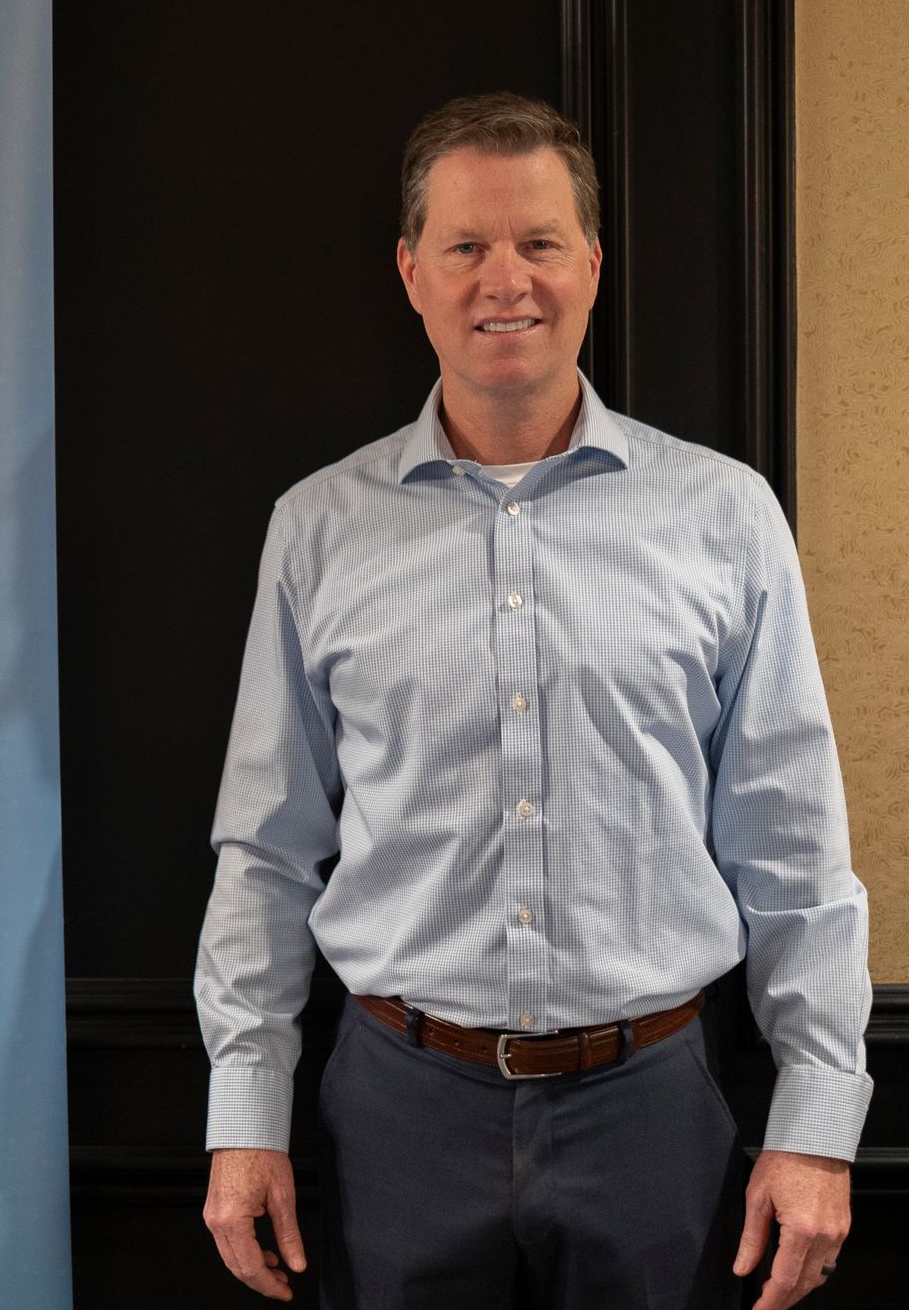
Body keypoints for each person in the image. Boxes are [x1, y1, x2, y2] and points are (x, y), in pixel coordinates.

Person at [193, 92, 870, 1310]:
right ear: (411, 273)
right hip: (396, 1113)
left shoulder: (724, 517)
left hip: (655, 1112)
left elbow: (794, 843)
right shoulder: (318, 532)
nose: (506, 279)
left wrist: (817, 1118)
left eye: (540, 243)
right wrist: (243, 1109)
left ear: (593, 265)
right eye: (465, 247)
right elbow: (267, 849)